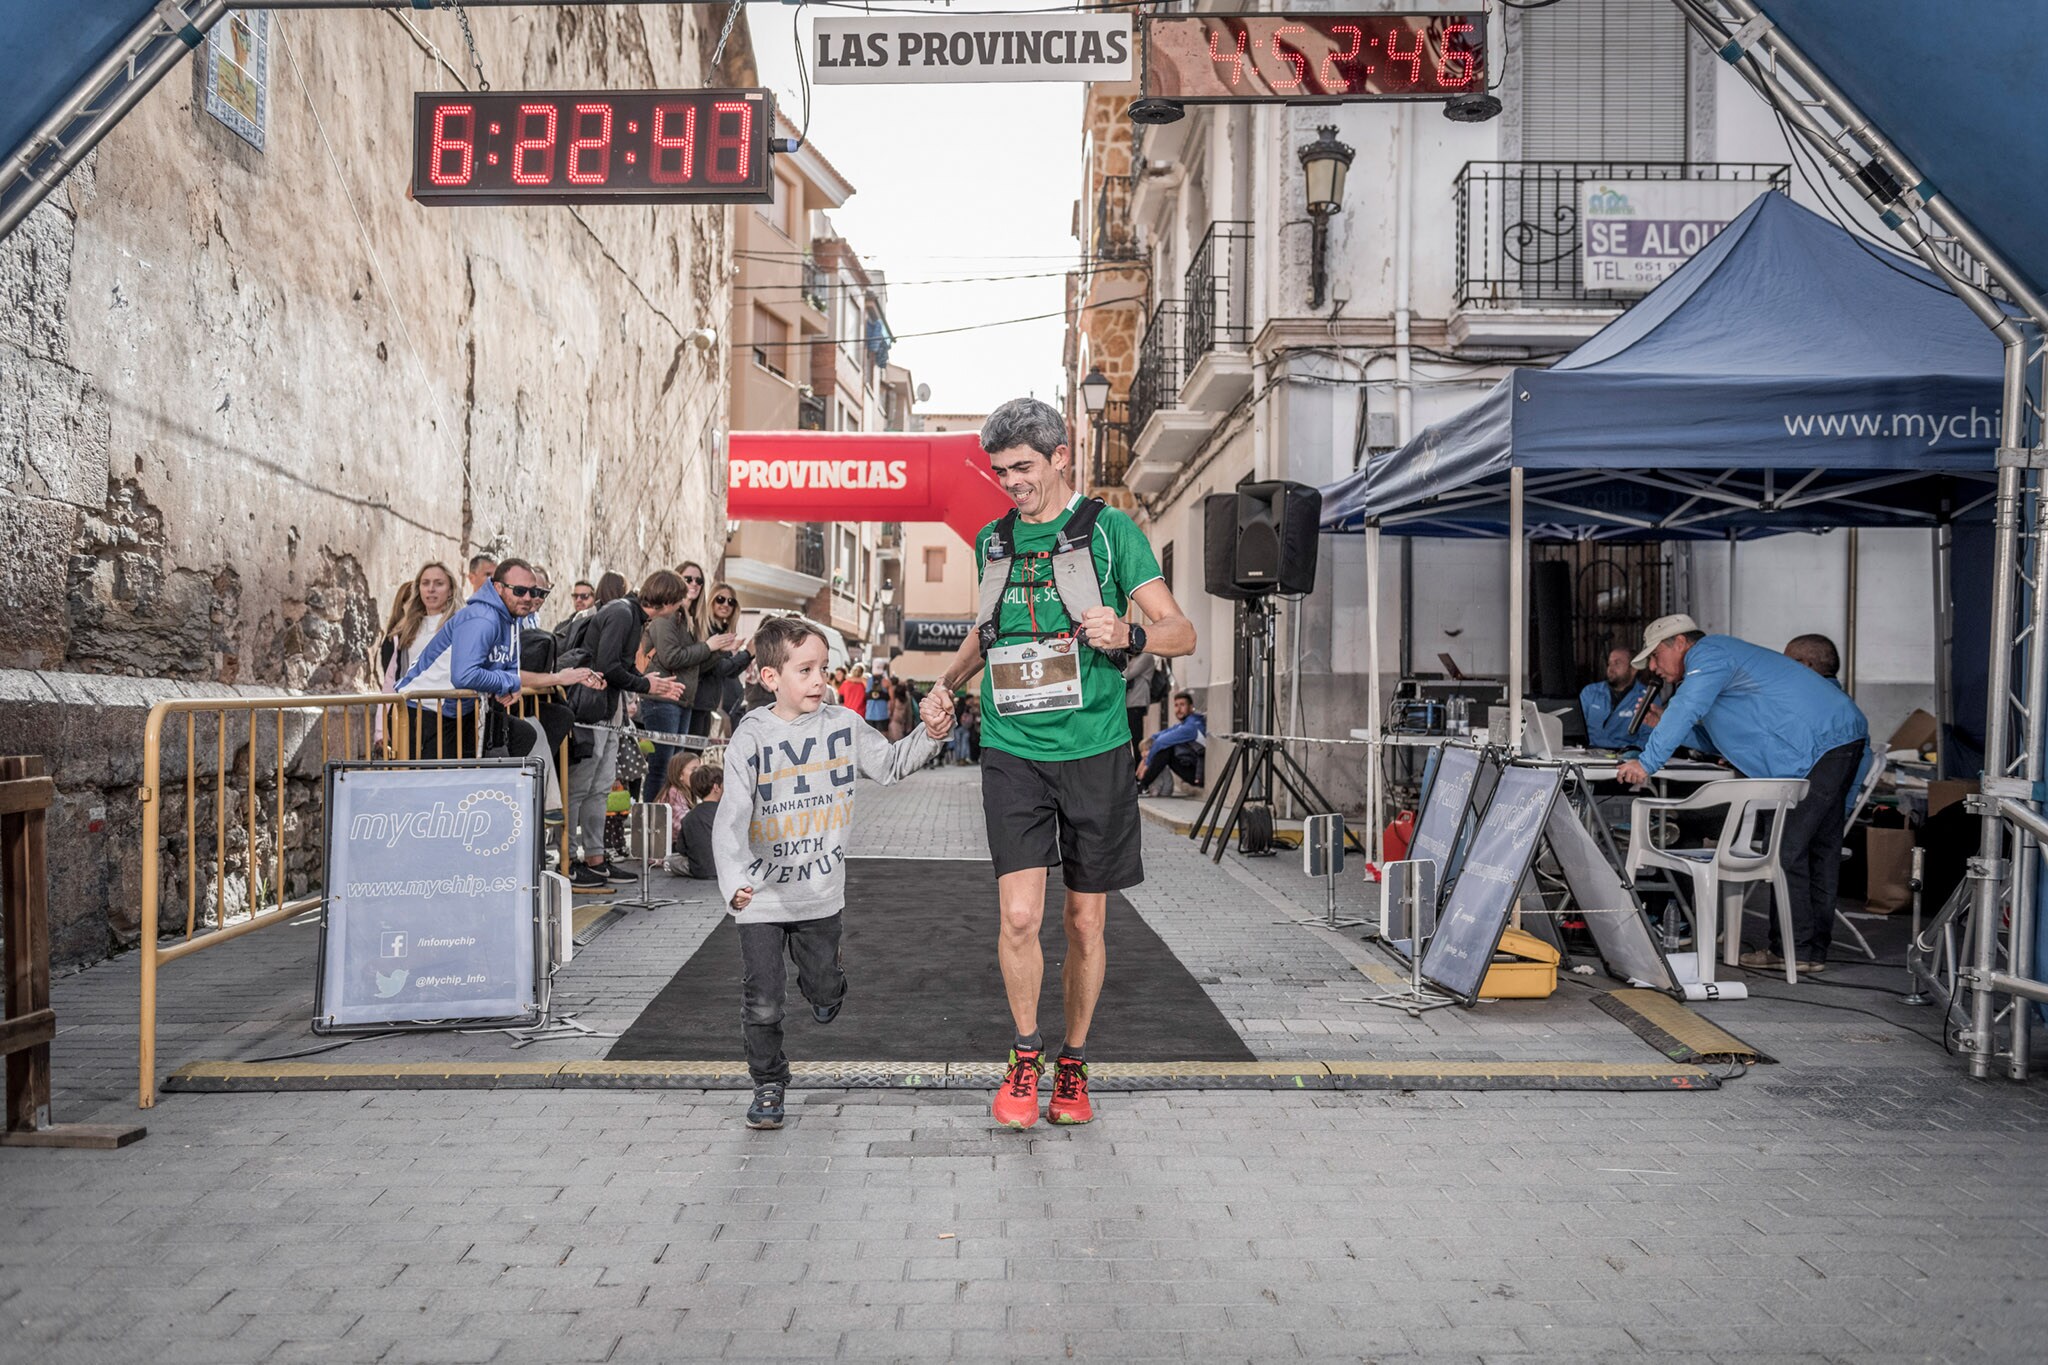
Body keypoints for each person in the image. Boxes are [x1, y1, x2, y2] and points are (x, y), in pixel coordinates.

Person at [933, 396, 1196, 1129]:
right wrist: (943, 688)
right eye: (1000, 471)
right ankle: (1025, 1056)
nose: (1012, 483)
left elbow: (1183, 631)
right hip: (1013, 748)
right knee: (1020, 914)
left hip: (1096, 749)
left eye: (1023, 468)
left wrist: (1130, 630)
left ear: (1060, 456)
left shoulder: (1111, 533)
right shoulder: (991, 541)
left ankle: (1073, 1065)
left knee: (1083, 922)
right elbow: (986, 636)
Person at [712, 615, 954, 1130]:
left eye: (824, 668)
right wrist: (733, 881)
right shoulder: (750, 738)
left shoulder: (842, 726)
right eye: (806, 670)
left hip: (821, 894)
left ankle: (828, 988)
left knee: (820, 985)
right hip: (761, 896)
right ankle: (769, 1084)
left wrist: (930, 736)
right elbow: (729, 816)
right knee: (762, 1000)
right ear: (770, 677)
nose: (820, 680)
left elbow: (889, 765)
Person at [1617, 614, 1870, 973]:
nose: (1654, 668)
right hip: (1833, 739)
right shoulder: (1717, 666)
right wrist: (1661, 725)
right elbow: (1711, 736)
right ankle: (1809, 953)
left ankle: (1792, 951)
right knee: (1818, 851)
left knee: (1787, 850)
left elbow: (1688, 708)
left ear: (1679, 643)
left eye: (1655, 656)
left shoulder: (1709, 654)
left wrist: (1647, 763)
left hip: (1825, 743)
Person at [396, 559, 600, 774]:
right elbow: (464, 675)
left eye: (534, 591)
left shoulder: (510, 619)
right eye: (520, 591)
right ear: (498, 588)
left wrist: (509, 684)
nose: (529, 598)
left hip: (457, 712)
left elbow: (509, 667)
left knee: (524, 735)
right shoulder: (483, 618)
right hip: (423, 711)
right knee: (437, 793)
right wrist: (510, 682)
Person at [564, 570, 689, 895]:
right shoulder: (622, 613)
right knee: (582, 786)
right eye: (678, 603)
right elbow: (608, 666)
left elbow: (622, 666)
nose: (678, 611)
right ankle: (569, 861)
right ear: (668, 601)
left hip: (607, 709)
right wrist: (647, 683)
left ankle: (594, 856)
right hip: (592, 711)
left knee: (601, 786)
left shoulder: (631, 615)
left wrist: (651, 685)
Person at [640, 561, 717, 802]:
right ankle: (651, 823)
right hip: (662, 698)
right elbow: (670, 656)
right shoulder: (667, 616)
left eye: (698, 580)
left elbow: (696, 666)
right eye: (688, 578)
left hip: (682, 701)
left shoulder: (690, 619)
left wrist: (720, 650)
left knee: (676, 770)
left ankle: (668, 822)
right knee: (662, 768)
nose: (693, 584)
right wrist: (708, 647)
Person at [690, 582, 751, 737]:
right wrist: (748, 653)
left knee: (697, 752)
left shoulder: (722, 631)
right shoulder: (705, 629)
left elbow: (729, 673)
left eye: (731, 602)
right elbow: (719, 668)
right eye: (720, 599)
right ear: (711, 601)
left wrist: (749, 654)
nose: (725, 605)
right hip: (695, 701)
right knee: (689, 752)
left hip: (708, 703)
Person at [1580, 646, 1658, 751]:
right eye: (1609, 664)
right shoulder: (1590, 692)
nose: (1610, 669)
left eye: (1617, 663)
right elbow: (1577, 729)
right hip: (1590, 753)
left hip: (1626, 756)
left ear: (1633, 669)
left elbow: (1649, 736)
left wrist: (1632, 753)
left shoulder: (1647, 696)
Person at [1136, 691, 1207, 796]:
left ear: (1191, 707)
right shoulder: (1183, 724)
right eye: (1176, 705)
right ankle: (1143, 785)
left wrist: (1146, 764)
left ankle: (1143, 785)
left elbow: (1161, 742)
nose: (1178, 709)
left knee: (1166, 750)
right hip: (1191, 767)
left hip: (1198, 775)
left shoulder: (1191, 727)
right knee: (1163, 747)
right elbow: (1157, 737)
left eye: (1182, 705)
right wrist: (1145, 757)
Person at [676, 763, 721, 880]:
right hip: (726, 869)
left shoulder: (689, 817)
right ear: (716, 787)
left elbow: (681, 848)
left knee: (671, 861)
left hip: (699, 870)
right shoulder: (727, 812)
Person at [1122, 650, 1159, 764]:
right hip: (1129, 703)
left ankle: (1139, 768)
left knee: (1137, 738)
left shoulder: (1146, 656)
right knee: (1130, 738)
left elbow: (1126, 674)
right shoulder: (1133, 657)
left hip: (1137, 702)